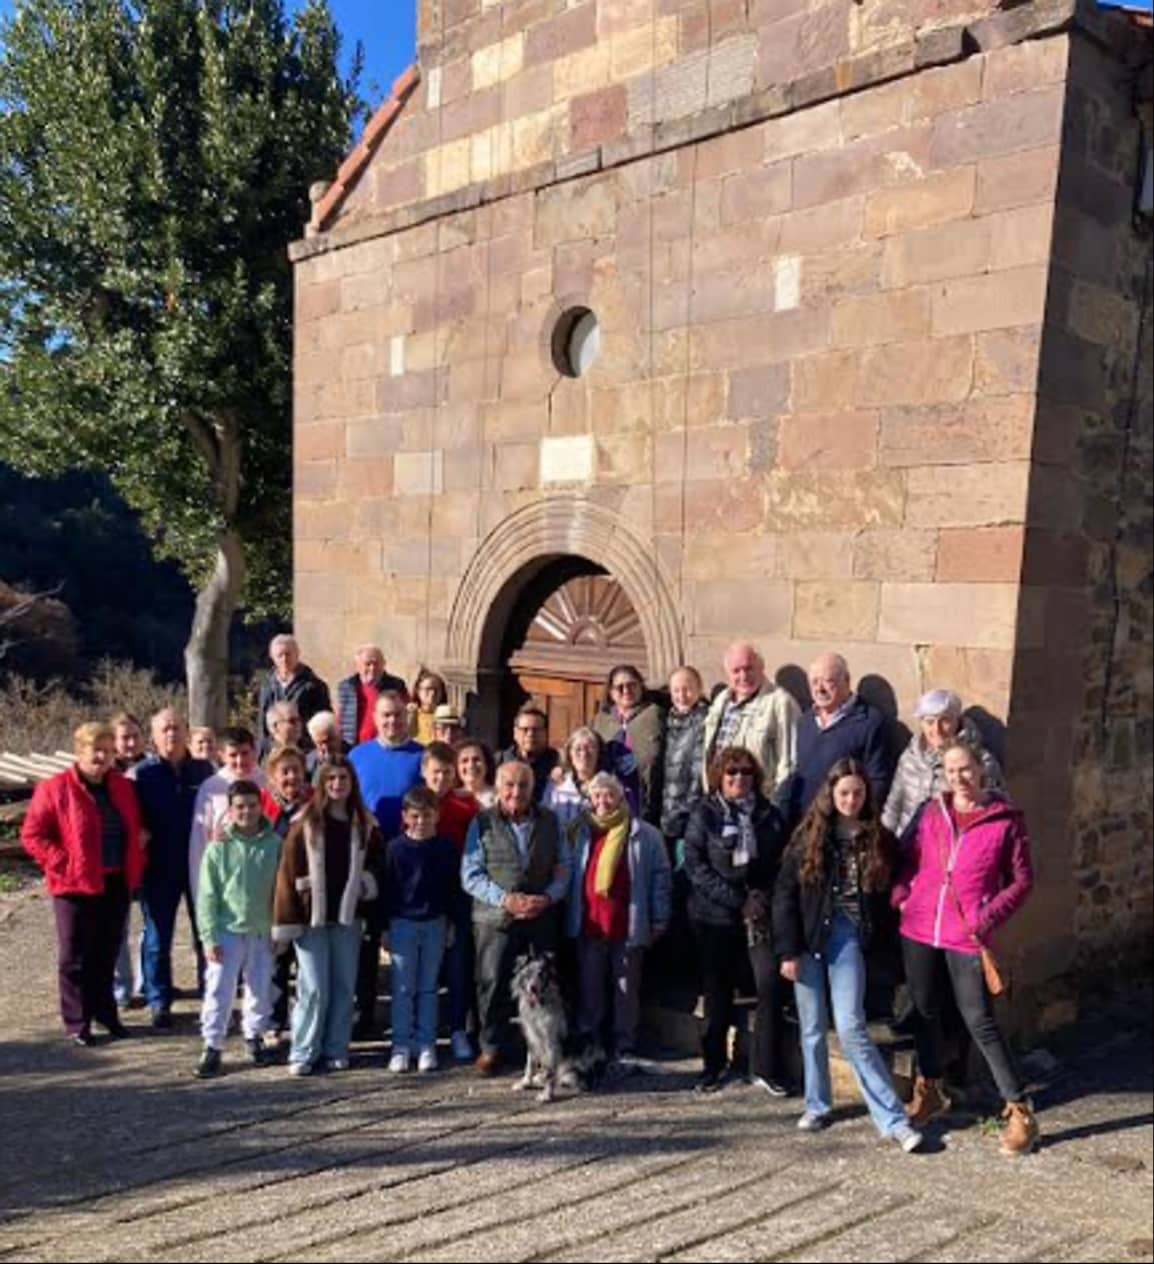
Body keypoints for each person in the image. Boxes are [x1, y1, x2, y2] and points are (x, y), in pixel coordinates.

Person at [893, 741, 1037, 1156]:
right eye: (951, 771)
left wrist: (985, 917)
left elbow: (1022, 880)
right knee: (924, 1012)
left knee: (980, 1020)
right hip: (919, 927)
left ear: (983, 770)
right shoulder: (932, 812)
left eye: (966, 769)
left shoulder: (1005, 820)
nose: (959, 778)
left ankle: (1019, 1108)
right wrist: (904, 893)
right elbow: (912, 858)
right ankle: (931, 1089)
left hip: (966, 933)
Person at [774, 758, 922, 1152]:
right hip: (808, 938)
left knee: (851, 1025)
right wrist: (788, 949)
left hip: (848, 938)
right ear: (830, 794)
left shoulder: (878, 838)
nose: (851, 800)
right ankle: (817, 1104)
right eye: (844, 793)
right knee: (811, 1027)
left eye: (858, 793)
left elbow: (892, 886)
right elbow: (785, 894)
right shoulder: (809, 836)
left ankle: (892, 1119)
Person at [21, 722, 145, 1045]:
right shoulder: (55, 788)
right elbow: (33, 835)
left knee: (107, 951)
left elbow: (134, 826)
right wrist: (63, 863)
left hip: (115, 879)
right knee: (74, 955)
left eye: (107, 750)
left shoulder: (121, 786)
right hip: (73, 884)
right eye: (96, 751)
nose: (102, 757)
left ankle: (106, 1013)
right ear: (79, 753)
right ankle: (78, 1021)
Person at [683, 747, 790, 1094]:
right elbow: (696, 866)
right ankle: (713, 1066)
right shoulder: (705, 813)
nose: (739, 780)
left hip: (758, 915)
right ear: (720, 776)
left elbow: (781, 864)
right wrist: (737, 901)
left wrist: (759, 898)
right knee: (717, 993)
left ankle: (765, 1067)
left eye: (745, 773)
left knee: (769, 984)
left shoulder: (768, 815)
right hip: (714, 915)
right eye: (732, 773)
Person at [273, 756, 382, 1075]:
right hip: (311, 919)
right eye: (331, 779)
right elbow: (287, 873)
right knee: (313, 986)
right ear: (321, 784)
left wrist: (366, 885)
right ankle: (304, 1050)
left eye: (343, 779)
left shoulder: (365, 823)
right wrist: (286, 921)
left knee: (344, 985)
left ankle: (336, 1047)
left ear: (352, 783)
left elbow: (379, 864)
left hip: (348, 917)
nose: (337, 785)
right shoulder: (305, 823)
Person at [461, 761, 569, 1074]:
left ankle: (540, 1050)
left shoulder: (550, 821)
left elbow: (565, 865)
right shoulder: (481, 822)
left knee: (543, 985)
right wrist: (505, 899)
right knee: (492, 981)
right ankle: (491, 1047)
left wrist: (548, 897)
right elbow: (470, 874)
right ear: (498, 787)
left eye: (523, 785)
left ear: (533, 788)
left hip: (540, 914)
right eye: (509, 785)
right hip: (495, 918)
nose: (516, 792)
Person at [565, 772, 670, 1073]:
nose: (602, 802)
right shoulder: (578, 832)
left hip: (627, 923)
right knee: (590, 988)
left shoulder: (645, 834)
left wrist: (660, 916)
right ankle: (590, 1046)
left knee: (626, 990)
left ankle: (624, 1046)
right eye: (596, 796)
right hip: (590, 923)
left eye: (608, 795)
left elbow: (661, 878)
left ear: (621, 797)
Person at [193, 781, 283, 1078]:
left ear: (261, 806)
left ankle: (254, 1036)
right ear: (230, 811)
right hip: (226, 929)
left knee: (259, 987)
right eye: (240, 807)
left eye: (252, 806)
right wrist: (208, 935)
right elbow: (207, 895)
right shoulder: (219, 848)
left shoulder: (274, 845)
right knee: (219, 988)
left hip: (261, 929)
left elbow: (280, 891)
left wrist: (278, 926)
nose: (247, 812)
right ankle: (212, 1044)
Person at [133, 709, 216, 1029]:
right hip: (158, 867)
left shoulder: (203, 769)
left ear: (186, 732)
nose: (171, 734)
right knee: (157, 938)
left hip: (199, 865)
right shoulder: (143, 774)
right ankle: (159, 1000)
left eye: (176, 728)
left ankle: (209, 993)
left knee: (204, 934)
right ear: (154, 736)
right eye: (164, 729)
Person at [348, 692, 424, 1037]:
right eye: (385, 716)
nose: (392, 722)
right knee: (366, 940)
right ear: (375, 718)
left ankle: (409, 1017)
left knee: (406, 941)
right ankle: (363, 1012)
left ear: (406, 717)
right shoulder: (357, 755)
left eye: (397, 716)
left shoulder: (420, 756)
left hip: (409, 861)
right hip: (368, 859)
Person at [384, 785, 460, 1073]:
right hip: (402, 923)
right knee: (403, 987)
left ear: (437, 816)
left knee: (428, 987)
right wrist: (385, 928)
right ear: (405, 816)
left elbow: (453, 889)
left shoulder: (445, 848)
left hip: (435, 923)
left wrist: (451, 921)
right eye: (415, 816)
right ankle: (401, 1045)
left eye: (427, 816)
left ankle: (427, 1043)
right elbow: (387, 889)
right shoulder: (395, 849)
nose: (421, 822)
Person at [421, 742, 480, 1061]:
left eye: (447, 772)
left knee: (459, 967)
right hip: (422, 899)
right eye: (435, 773)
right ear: (424, 772)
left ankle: (458, 1028)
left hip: (459, 896)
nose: (441, 779)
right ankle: (422, 1032)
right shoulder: (414, 803)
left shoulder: (466, 807)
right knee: (424, 972)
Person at [784, 653, 892, 825]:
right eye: (814, 682)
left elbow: (877, 780)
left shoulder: (869, 721)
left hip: (843, 825)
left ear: (846, 681)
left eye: (828, 681)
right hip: (804, 824)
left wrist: (858, 822)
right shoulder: (805, 721)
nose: (820, 689)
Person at [883, 690, 1004, 836]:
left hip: (949, 847)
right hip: (906, 844)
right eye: (929, 722)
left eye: (945, 720)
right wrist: (885, 842)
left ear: (957, 721)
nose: (936, 729)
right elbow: (893, 806)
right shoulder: (910, 756)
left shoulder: (981, 762)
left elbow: (993, 811)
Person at [260, 745, 313, 1041]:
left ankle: (303, 1024)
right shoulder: (263, 807)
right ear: (272, 776)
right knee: (275, 966)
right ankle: (274, 1021)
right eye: (285, 771)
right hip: (272, 899)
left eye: (296, 770)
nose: (292, 777)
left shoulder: (315, 804)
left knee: (306, 966)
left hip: (306, 900)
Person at [703, 643, 800, 801]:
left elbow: (789, 763)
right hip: (719, 803)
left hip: (758, 806)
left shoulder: (781, 703)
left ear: (761, 667)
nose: (743, 676)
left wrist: (777, 807)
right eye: (736, 671)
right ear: (727, 674)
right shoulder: (721, 701)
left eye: (749, 668)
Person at [188, 727, 265, 903]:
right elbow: (199, 840)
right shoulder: (211, 788)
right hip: (225, 876)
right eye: (233, 755)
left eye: (245, 753)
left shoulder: (266, 782)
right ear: (221, 755)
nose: (240, 760)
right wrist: (200, 889)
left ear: (254, 751)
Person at [591, 664, 665, 825]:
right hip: (607, 799)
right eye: (620, 687)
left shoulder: (655, 714)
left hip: (645, 798)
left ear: (640, 686)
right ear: (611, 692)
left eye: (632, 685)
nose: (626, 691)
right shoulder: (601, 720)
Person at [256, 633, 332, 759]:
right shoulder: (267, 686)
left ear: (297, 654)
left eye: (288, 654)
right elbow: (262, 723)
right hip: (274, 750)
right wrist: (261, 752)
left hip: (305, 750)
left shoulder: (314, 686)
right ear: (272, 657)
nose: (284, 659)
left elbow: (322, 721)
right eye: (280, 655)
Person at [660, 666, 709, 851]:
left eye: (688, 689)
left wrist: (686, 812)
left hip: (689, 817)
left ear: (700, 689)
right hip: (665, 814)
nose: (682, 695)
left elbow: (699, 773)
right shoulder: (667, 721)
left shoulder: (705, 721)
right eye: (676, 690)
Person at [335, 645, 409, 749]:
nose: (372, 668)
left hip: (387, 745)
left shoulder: (396, 685)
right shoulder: (347, 687)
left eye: (376, 663)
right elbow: (340, 719)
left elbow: (406, 714)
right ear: (358, 666)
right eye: (368, 664)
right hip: (353, 747)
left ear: (383, 664)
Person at [543, 726, 604, 832]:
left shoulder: (610, 786)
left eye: (590, 747)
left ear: (599, 753)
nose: (584, 754)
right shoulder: (556, 785)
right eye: (578, 748)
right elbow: (543, 821)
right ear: (569, 753)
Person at [498, 705, 560, 805]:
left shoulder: (557, 762)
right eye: (525, 729)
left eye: (536, 729)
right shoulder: (499, 761)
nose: (530, 734)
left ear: (545, 733)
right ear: (515, 733)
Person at [409, 668, 448, 746]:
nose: (432, 693)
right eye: (428, 689)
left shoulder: (447, 716)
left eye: (436, 689)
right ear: (418, 691)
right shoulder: (411, 714)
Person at [304, 710, 347, 778]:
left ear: (340, 734)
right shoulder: (309, 763)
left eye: (330, 740)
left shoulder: (355, 756)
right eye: (320, 743)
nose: (325, 747)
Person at [456, 739, 497, 809]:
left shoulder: (499, 797)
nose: (471, 765)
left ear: (487, 764)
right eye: (464, 761)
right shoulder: (451, 798)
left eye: (476, 759)